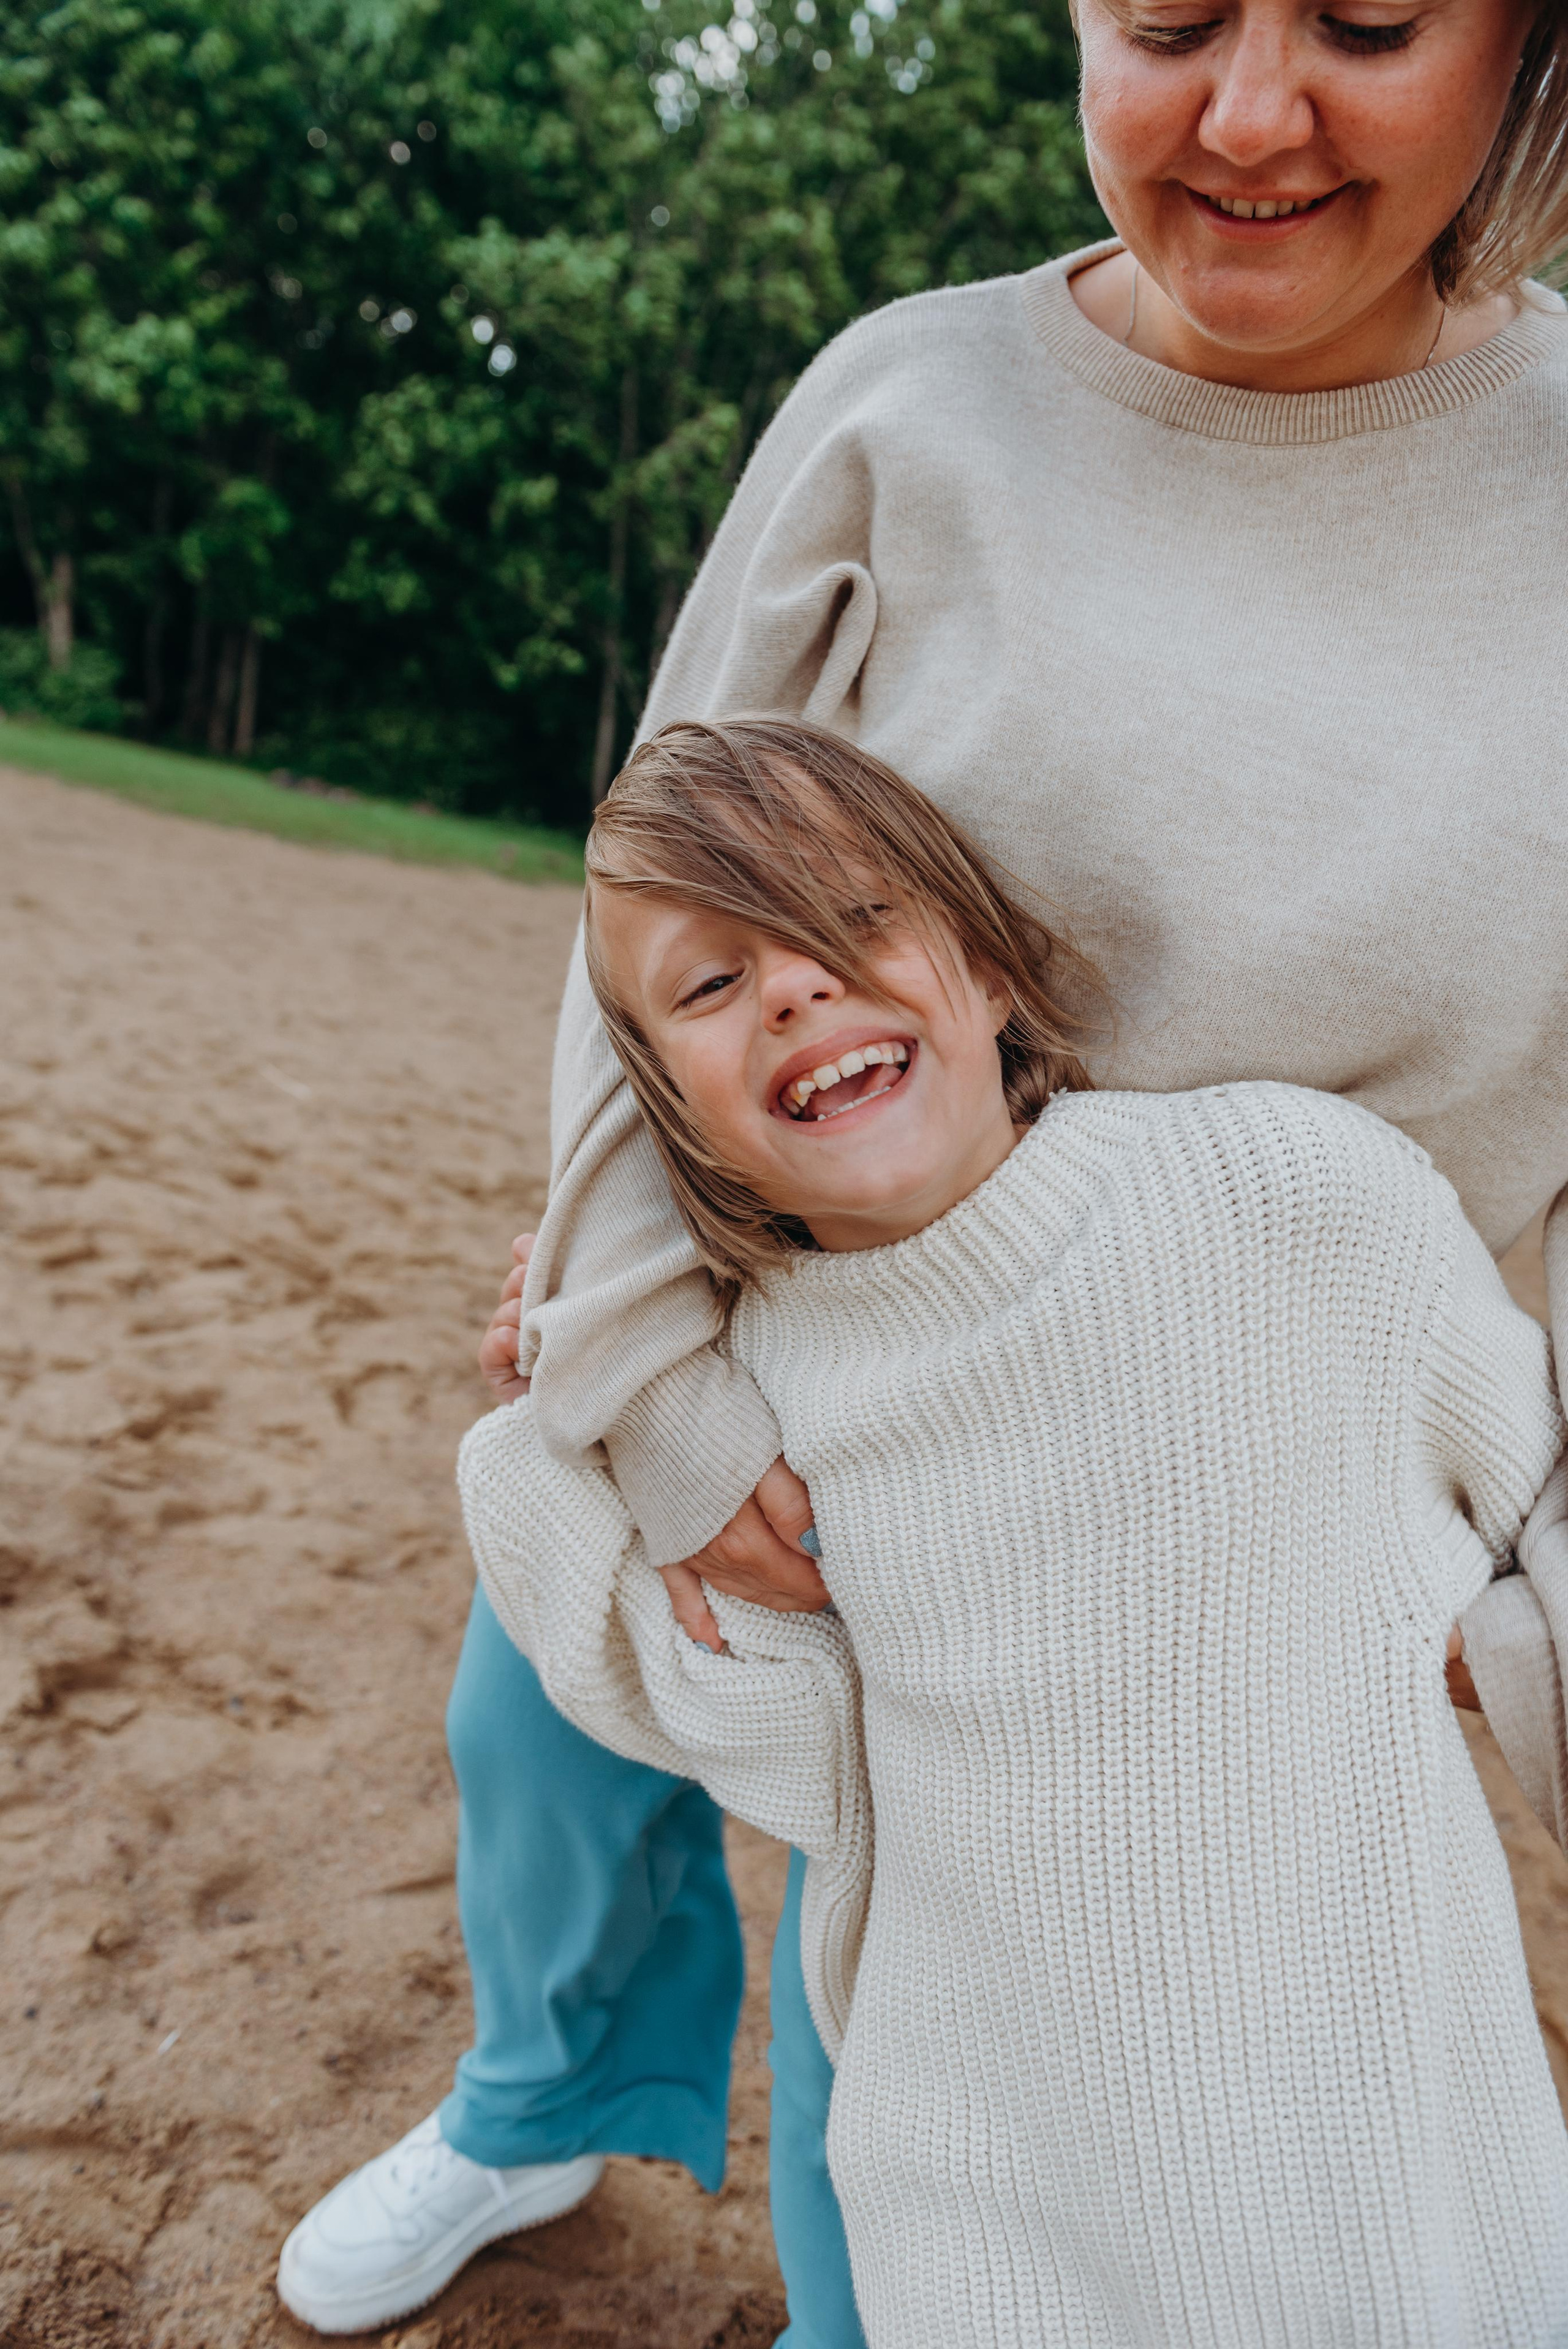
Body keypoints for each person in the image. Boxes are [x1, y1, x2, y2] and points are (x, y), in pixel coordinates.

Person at [276, 0, 1568, 2337]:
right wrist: (645, 1361)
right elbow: (659, 868)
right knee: (545, 1695)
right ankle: (544, 2094)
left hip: (1254, 1471)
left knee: (952, 2072)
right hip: (839, 1303)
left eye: (1369, 22)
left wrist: (1526, 1609)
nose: (1246, 111)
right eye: (1165, 19)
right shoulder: (911, 403)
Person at [463, 713, 1568, 2346]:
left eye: (852, 919)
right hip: (990, 2196)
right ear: (672, 1121)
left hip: (1381, 2154)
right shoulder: (750, 1416)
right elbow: (739, 1713)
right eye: (711, 984)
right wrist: (560, 1387)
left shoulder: (1293, 1199)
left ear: (990, 974)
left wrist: (1494, 1646)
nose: (793, 987)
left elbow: (1535, 1480)